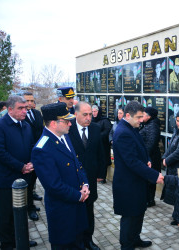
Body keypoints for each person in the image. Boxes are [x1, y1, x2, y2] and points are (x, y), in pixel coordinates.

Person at [31, 102, 89, 249]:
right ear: (53, 123)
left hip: (77, 207)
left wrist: (85, 184)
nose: (70, 124)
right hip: (63, 211)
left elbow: (77, 164)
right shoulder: (42, 149)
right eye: (66, 121)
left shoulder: (64, 136)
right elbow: (53, 185)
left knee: (78, 243)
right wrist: (78, 195)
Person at [112, 100, 164, 249]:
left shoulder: (132, 127)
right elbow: (132, 162)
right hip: (128, 184)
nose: (142, 120)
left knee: (138, 213)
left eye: (142, 117)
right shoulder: (123, 133)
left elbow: (142, 148)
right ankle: (127, 244)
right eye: (139, 117)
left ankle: (135, 239)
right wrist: (154, 175)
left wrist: (147, 160)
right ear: (128, 115)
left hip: (137, 182)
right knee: (130, 217)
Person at [0, 95, 37, 249]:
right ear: (10, 109)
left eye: (25, 108)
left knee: (20, 212)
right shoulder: (0, 125)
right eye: (21, 108)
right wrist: (21, 166)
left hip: (24, 177)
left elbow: (32, 145)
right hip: (6, 179)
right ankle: (7, 244)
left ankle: (20, 239)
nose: (24, 111)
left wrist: (32, 162)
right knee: (6, 215)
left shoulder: (25, 125)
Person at [69, 101, 105, 250]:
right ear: (76, 114)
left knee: (89, 210)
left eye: (90, 114)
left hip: (90, 178)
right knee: (75, 212)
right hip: (72, 178)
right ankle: (77, 242)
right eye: (85, 115)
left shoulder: (95, 128)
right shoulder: (68, 128)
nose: (89, 118)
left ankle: (88, 240)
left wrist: (101, 173)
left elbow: (100, 152)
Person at [23, 92, 44, 221]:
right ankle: (29, 207)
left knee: (34, 180)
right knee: (28, 183)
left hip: (38, 153)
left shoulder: (37, 114)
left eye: (31, 100)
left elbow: (41, 131)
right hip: (26, 154)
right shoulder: (21, 116)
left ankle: (31, 201)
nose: (29, 103)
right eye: (27, 101)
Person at [139, 107, 162, 207]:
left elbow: (150, 144)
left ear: (149, 116)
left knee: (151, 179)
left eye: (143, 114)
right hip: (148, 156)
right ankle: (147, 199)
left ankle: (150, 200)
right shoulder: (147, 124)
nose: (142, 117)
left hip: (152, 157)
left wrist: (145, 156)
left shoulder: (153, 126)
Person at [92, 104, 112, 183]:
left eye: (95, 111)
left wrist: (98, 136)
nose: (94, 113)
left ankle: (103, 177)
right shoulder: (92, 120)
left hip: (103, 144)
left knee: (103, 160)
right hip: (95, 144)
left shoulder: (105, 120)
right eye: (92, 112)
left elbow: (107, 130)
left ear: (99, 111)